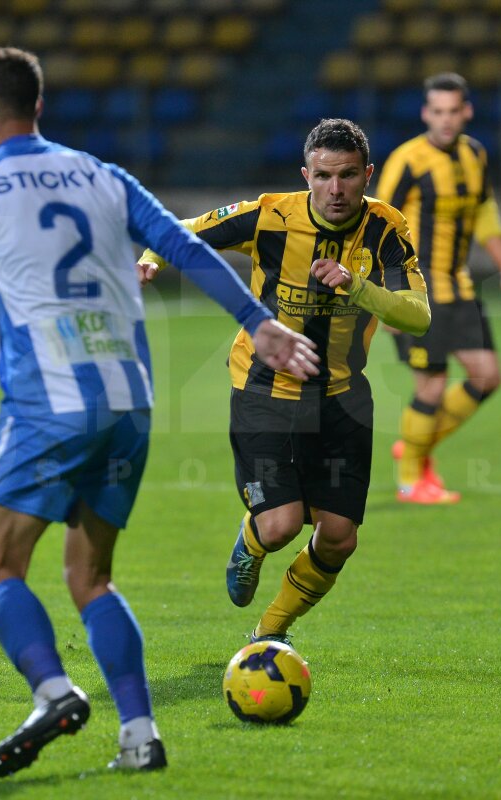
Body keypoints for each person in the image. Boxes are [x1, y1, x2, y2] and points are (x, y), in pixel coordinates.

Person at [0, 47, 317, 777]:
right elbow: (182, 247)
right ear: (38, 106)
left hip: (50, 402)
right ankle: (139, 735)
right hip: (130, 401)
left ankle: (52, 690)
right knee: (90, 576)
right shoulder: (106, 176)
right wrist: (259, 321)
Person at [138, 118, 430, 647]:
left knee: (339, 537)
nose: (334, 190)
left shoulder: (387, 228)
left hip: (341, 397)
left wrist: (358, 288)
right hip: (264, 390)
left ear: (367, 174)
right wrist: (151, 256)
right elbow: (180, 229)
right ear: (306, 174)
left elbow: (418, 316)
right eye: (322, 176)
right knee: (280, 526)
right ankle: (250, 543)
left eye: (346, 176)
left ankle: (269, 635)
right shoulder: (271, 215)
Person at [375, 72, 501, 505]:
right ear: (426, 113)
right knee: (432, 386)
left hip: (458, 287)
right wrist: (383, 296)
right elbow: (377, 223)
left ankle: (417, 444)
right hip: (415, 290)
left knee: (487, 376)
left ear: (466, 112)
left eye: (453, 111)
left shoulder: (475, 154)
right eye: (437, 112)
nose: (445, 120)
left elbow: (484, 213)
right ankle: (411, 480)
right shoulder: (409, 160)